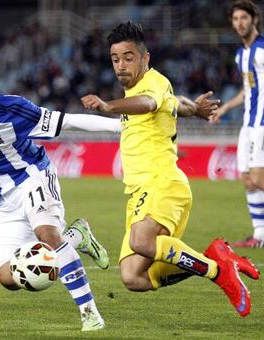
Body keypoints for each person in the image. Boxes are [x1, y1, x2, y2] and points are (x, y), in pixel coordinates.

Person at [0, 44, 123, 331]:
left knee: (48, 235)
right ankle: (77, 237)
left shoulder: (11, 109)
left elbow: (68, 123)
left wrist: (121, 129)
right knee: (8, 277)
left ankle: (89, 312)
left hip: (32, 177)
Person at [81, 22, 260, 317]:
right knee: (133, 277)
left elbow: (150, 103)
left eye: (129, 57)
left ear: (145, 58)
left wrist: (108, 106)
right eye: (115, 59)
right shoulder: (153, 89)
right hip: (141, 193)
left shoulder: (152, 83)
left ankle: (219, 272)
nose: (121, 65)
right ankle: (214, 259)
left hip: (162, 184)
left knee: (141, 241)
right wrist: (196, 110)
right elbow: (177, 103)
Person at [211, 0, 264, 248]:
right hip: (248, 125)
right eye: (235, 19)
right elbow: (247, 91)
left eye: (244, 17)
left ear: (254, 19)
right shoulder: (241, 55)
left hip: (262, 124)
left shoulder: (262, 50)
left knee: (259, 177)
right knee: (247, 179)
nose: (240, 23)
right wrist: (224, 108)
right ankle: (259, 235)